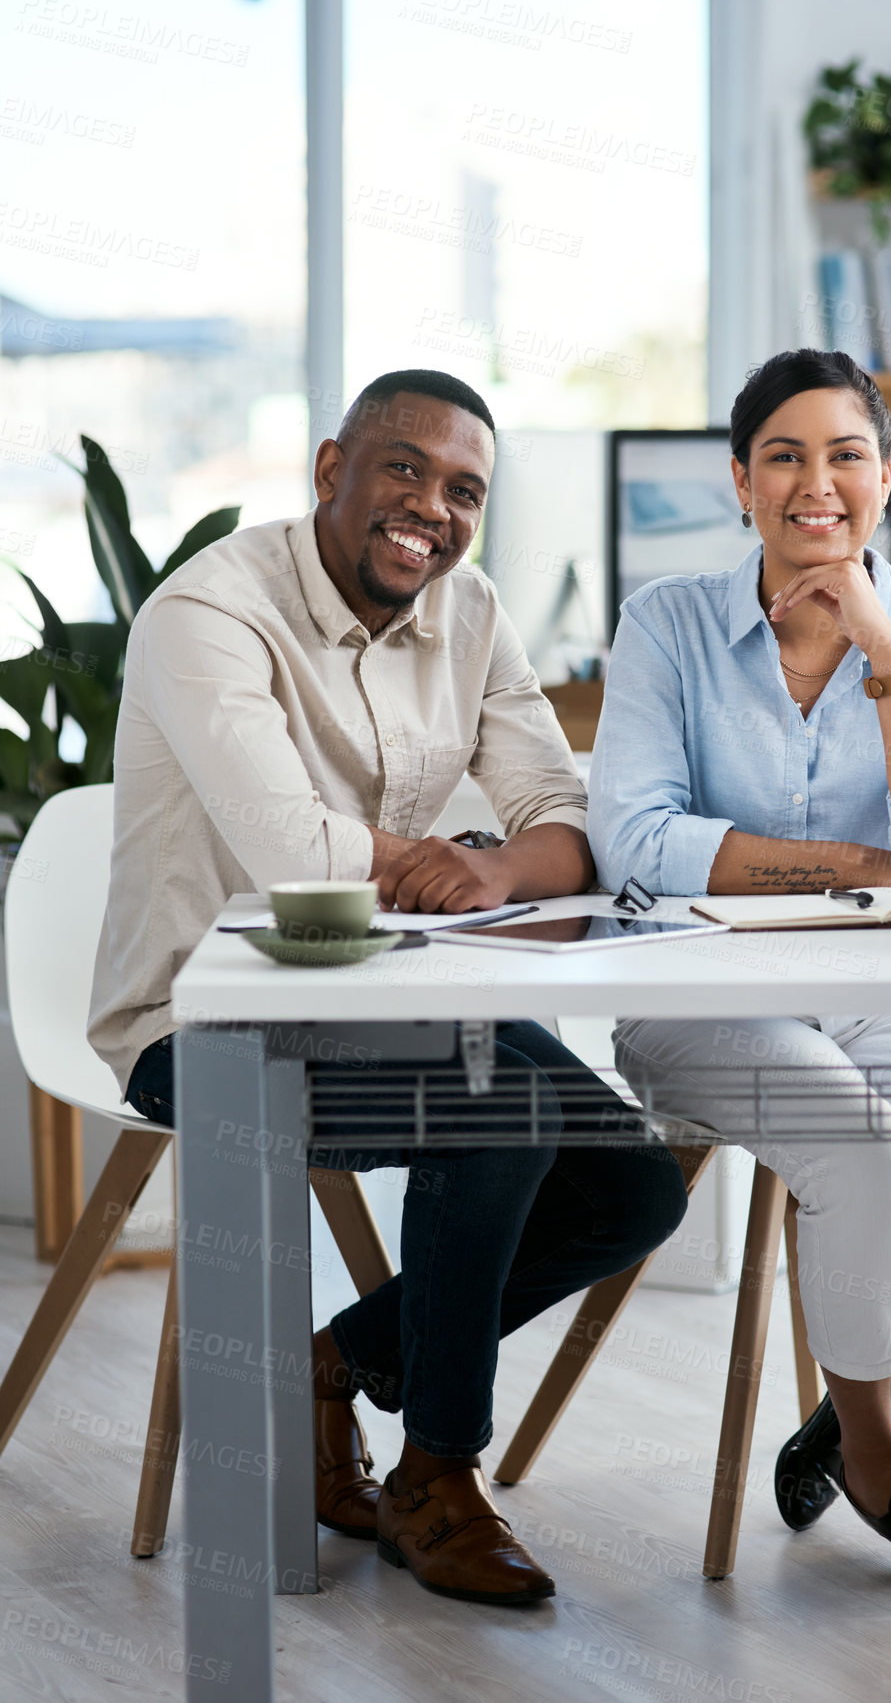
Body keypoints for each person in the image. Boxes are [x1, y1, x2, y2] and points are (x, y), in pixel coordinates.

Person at [88, 368, 687, 1607]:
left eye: (464, 489)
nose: (431, 508)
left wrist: (493, 865)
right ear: (329, 471)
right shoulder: (209, 614)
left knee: (633, 1183)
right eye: (403, 469)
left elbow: (567, 826)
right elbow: (294, 853)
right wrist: (470, 865)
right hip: (204, 1018)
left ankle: (335, 1362)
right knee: (500, 1123)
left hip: (391, 989)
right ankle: (436, 1476)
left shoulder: (471, 613)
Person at [588, 349, 891, 1585]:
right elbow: (636, 844)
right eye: (786, 456)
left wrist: (882, 649)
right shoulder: (667, 623)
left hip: (889, 997)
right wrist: (852, 862)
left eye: (847, 454)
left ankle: (848, 1403)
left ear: (885, 475)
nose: (819, 485)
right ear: (741, 484)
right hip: (697, 1000)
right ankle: (874, 1456)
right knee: (859, 1155)